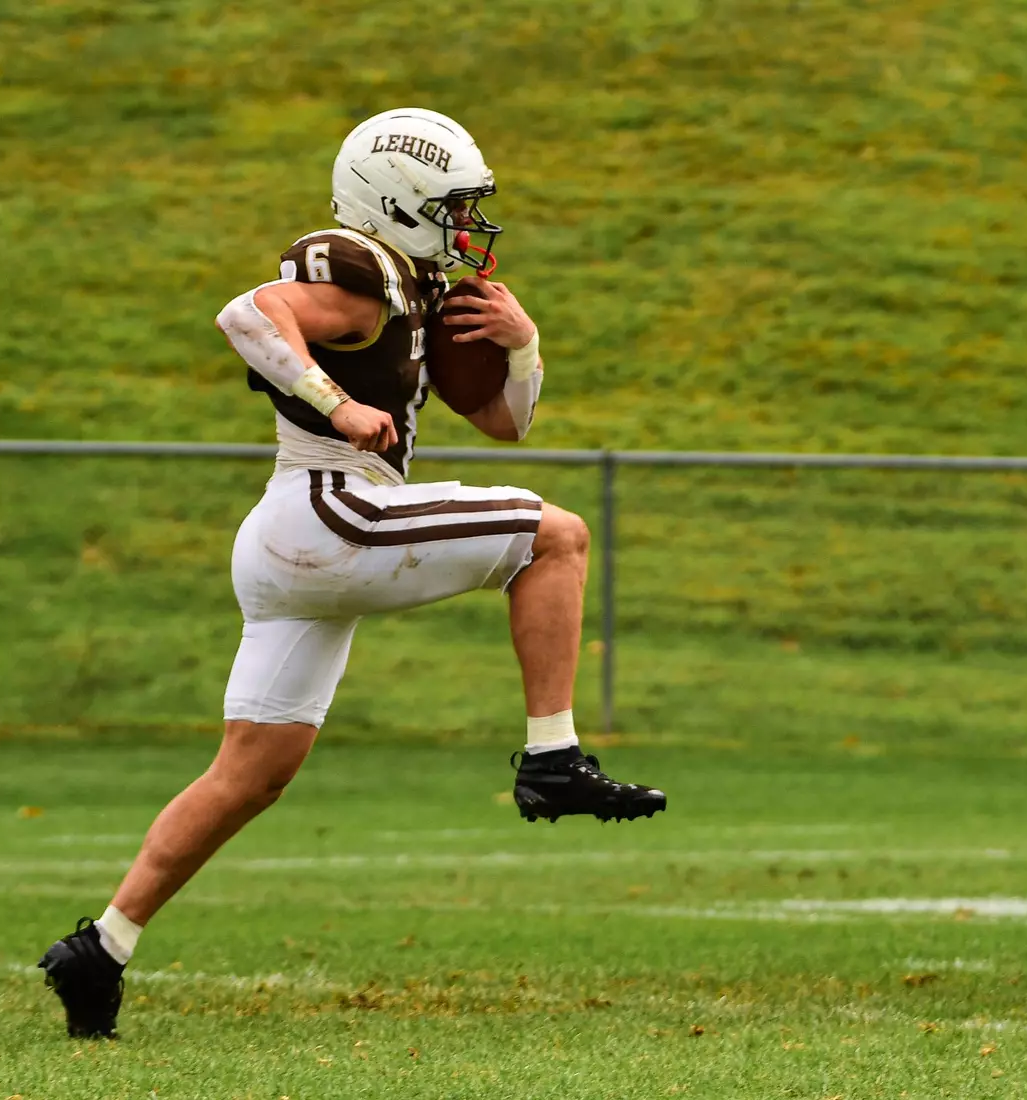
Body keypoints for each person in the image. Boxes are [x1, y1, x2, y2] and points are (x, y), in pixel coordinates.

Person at [37, 107, 667, 1039]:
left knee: (251, 773)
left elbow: (506, 423)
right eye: (453, 207)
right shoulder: (357, 268)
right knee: (557, 535)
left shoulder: (413, 289)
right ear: (400, 201)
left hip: (296, 536)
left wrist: (523, 343)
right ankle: (552, 759)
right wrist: (334, 403)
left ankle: (101, 949)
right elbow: (247, 314)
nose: (467, 226)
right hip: (331, 507)